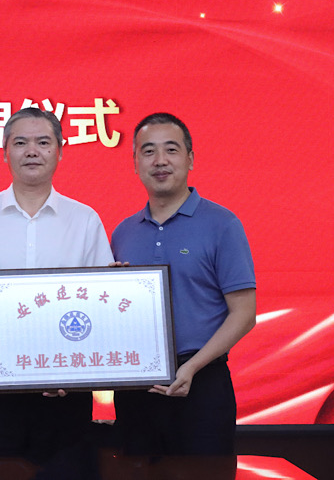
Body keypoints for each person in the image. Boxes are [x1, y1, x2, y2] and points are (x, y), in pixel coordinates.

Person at [0, 107, 113, 470]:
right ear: (4, 152)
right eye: (20, 143)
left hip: (63, 387)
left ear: (59, 151)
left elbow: (101, 301)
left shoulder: (84, 219)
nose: (32, 151)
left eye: (43, 142)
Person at [111, 112, 256, 456]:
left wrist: (192, 367)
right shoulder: (122, 232)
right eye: (148, 151)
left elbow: (244, 314)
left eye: (171, 150)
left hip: (202, 382)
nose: (160, 160)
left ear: (190, 159)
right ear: (135, 163)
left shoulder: (222, 224)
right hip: (136, 385)